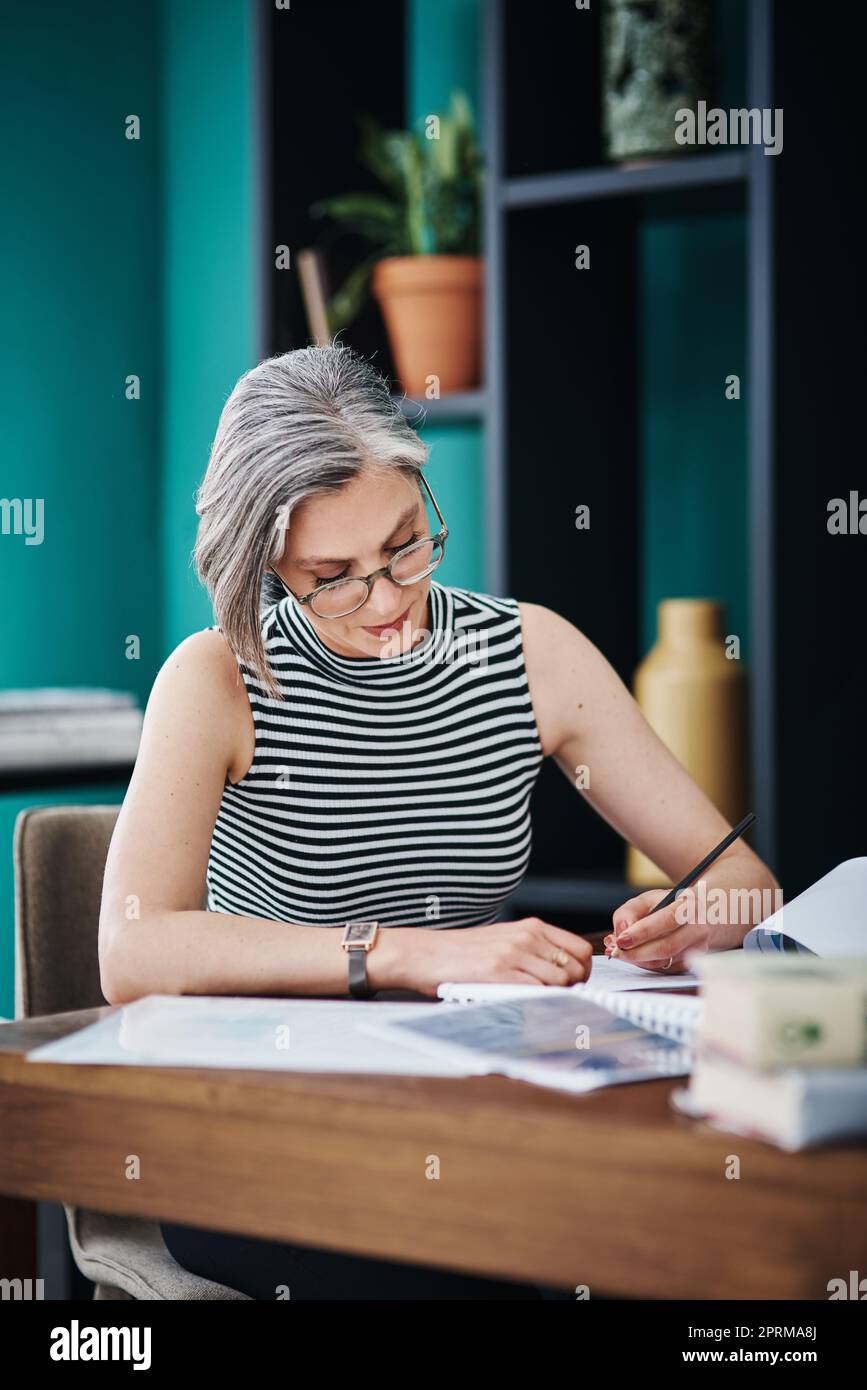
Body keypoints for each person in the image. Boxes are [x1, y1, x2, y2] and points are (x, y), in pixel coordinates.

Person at [98, 342, 779, 1299]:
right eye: (331, 576)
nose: (386, 603)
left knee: (691, 1235)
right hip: (259, 1135)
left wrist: (706, 914)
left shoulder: (530, 653)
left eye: (405, 544)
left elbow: (742, 879)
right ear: (264, 565)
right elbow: (133, 955)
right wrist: (407, 953)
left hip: (467, 1115)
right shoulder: (218, 678)